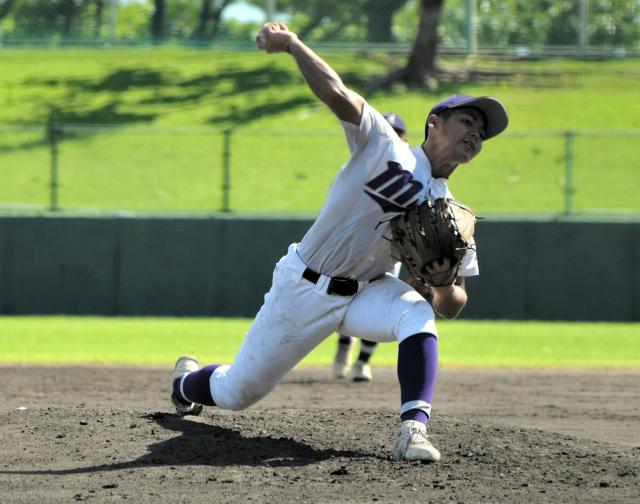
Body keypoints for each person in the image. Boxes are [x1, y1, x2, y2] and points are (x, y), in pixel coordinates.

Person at [170, 22, 508, 462]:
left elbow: (453, 305)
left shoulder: (454, 216)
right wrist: (292, 45)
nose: (475, 134)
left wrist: (443, 284)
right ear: (434, 123)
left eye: (482, 132)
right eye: (468, 121)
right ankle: (184, 384)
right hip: (305, 285)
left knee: (418, 315)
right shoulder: (386, 147)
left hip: (366, 292)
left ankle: (413, 431)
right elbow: (336, 93)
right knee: (239, 392)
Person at [332, 112, 408, 383]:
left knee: (378, 305)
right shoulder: (357, 166)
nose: (392, 136)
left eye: (397, 131)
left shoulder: (415, 172)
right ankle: (343, 348)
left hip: (390, 252)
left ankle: (362, 363)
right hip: (355, 248)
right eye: (388, 130)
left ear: (405, 138)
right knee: (346, 300)